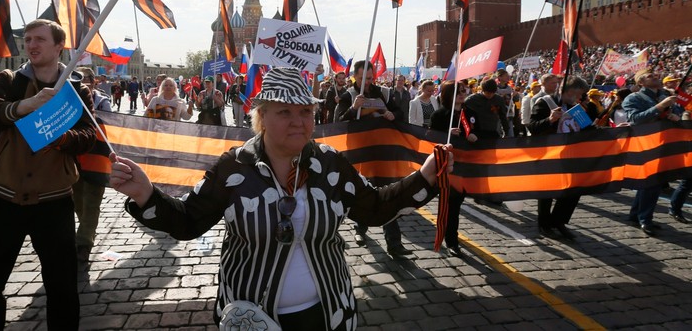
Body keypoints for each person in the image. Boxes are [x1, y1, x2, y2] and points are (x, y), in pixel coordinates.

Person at [110, 67, 451, 329]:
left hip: (328, 313)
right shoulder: (234, 168)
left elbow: (375, 208)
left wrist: (426, 175)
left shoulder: (330, 163)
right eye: (284, 112)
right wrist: (145, 194)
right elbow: (187, 222)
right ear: (262, 118)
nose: (298, 121)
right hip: (252, 316)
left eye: (305, 111)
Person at [0, 19, 96, 329]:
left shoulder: (76, 89)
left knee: (62, 287)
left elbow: (89, 137)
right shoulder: (10, 80)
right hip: (2, 199)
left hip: (55, 202)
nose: (31, 45)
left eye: (39, 39)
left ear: (59, 46)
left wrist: (59, 138)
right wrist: (25, 106)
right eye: (28, 39)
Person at [334, 61, 411, 256]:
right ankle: (360, 228)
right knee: (363, 193)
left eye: (369, 78)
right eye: (362, 79)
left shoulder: (383, 93)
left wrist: (393, 115)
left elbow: (400, 113)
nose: (366, 82)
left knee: (389, 195)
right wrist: (353, 109)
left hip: (383, 154)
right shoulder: (348, 95)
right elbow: (337, 123)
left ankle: (394, 243)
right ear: (355, 77)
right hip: (360, 155)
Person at [528, 76, 594, 240]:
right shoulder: (545, 102)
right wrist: (550, 119)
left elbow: (589, 129)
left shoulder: (576, 108)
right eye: (579, 94)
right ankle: (544, 223)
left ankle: (558, 221)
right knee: (547, 190)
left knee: (573, 189)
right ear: (569, 90)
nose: (580, 98)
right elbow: (532, 127)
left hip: (570, 155)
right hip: (549, 153)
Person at [622, 70, 683, 236]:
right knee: (652, 182)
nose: (655, 76)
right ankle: (645, 219)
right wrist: (660, 107)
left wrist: (673, 114)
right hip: (645, 143)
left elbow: (677, 111)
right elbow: (635, 118)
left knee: (651, 182)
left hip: (664, 142)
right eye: (649, 76)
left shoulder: (665, 95)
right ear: (640, 82)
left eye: (655, 74)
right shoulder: (633, 98)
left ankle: (636, 215)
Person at [429, 81, 477, 257]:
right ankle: (452, 241)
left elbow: (481, 133)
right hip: (447, 166)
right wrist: (447, 133)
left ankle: (450, 236)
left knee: (457, 203)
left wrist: (474, 136)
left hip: (465, 165)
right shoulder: (440, 115)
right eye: (458, 92)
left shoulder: (470, 113)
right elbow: (432, 138)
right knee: (453, 205)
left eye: (464, 91)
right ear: (449, 94)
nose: (462, 94)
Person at [73, 67, 111, 266]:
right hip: (75, 158)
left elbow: (111, 126)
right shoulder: (68, 98)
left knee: (92, 202)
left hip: (97, 160)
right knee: (77, 200)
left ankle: (84, 244)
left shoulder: (102, 101)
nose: (83, 82)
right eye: (78, 78)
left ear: (94, 81)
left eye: (86, 78)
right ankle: (85, 231)